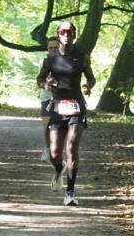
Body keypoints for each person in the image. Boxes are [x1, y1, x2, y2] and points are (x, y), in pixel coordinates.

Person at [37, 21, 96, 206]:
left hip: (77, 107)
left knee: (71, 147)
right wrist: (45, 85)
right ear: (58, 34)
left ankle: (70, 192)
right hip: (57, 107)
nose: (66, 35)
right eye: (63, 31)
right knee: (55, 153)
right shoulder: (51, 58)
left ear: (74, 35)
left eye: (70, 32)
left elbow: (91, 77)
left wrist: (88, 86)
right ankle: (59, 168)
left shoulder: (81, 56)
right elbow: (40, 78)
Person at [38, 37, 59, 160]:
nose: (53, 50)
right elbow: (40, 79)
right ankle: (47, 147)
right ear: (47, 48)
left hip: (63, 98)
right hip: (46, 97)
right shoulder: (43, 61)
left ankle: (59, 149)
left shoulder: (68, 61)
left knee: (61, 127)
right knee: (47, 126)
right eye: (50, 47)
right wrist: (46, 83)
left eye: (55, 47)